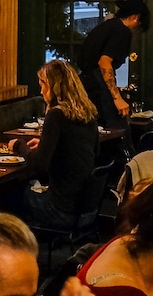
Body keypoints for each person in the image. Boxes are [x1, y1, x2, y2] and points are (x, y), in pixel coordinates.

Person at [8, 59, 101, 230]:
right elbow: (95, 151)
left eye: (43, 85)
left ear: (52, 86)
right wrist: (47, 144)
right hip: (87, 210)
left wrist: (19, 146)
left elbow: (39, 164)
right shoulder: (89, 112)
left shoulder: (56, 115)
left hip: (61, 212)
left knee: (9, 195)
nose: (41, 91)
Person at [77, 0, 149, 129]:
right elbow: (104, 63)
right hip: (98, 86)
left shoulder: (107, 26)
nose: (135, 31)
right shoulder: (122, 31)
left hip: (85, 84)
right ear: (136, 18)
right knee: (114, 129)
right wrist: (117, 98)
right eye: (138, 27)